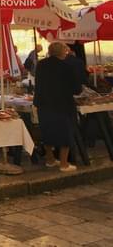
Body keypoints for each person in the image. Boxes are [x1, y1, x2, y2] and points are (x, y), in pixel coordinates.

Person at [34, 42, 81, 172]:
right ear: (62, 52)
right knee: (65, 132)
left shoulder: (41, 64)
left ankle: (50, 160)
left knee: (47, 130)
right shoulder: (67, 66)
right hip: (62, 103)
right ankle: (64, 163)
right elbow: (76, 89)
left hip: (43, 102)